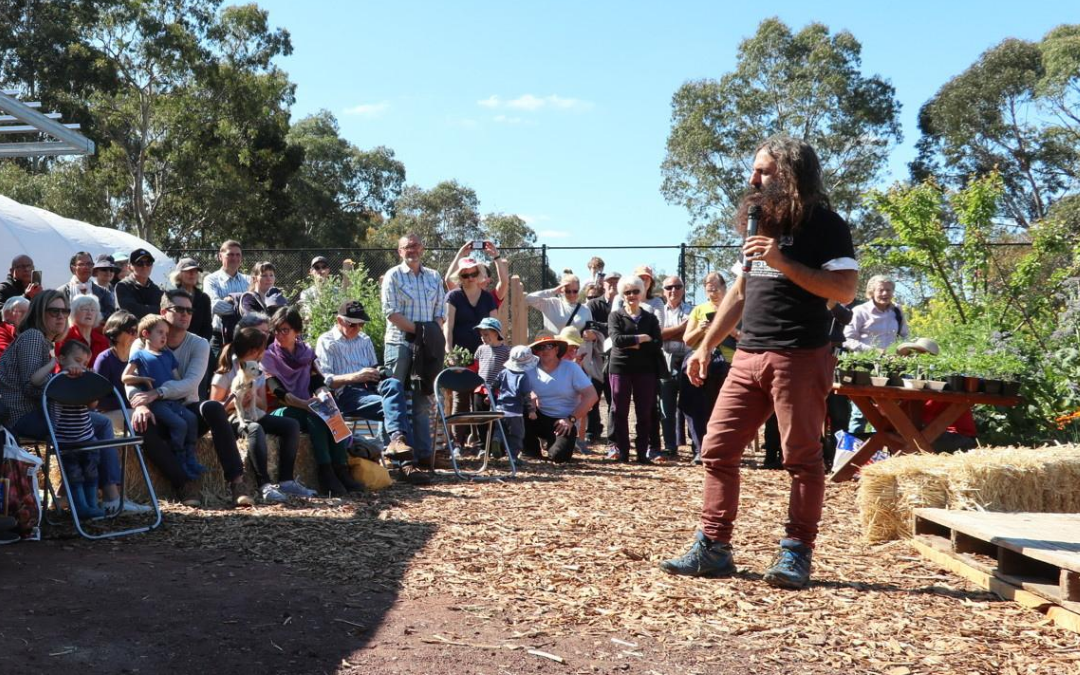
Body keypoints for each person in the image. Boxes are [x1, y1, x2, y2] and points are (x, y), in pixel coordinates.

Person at [661, 136, 858, 590]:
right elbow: (740, 292)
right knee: (716, 449)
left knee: (802, 459)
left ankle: (796, 553)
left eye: (764, 171)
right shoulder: (759, 225)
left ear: (791, 172)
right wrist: (706, 345)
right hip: (747, 356)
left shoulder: (827, 225)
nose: (753, 179)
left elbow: (844, 290)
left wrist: (781, 259)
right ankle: (713, 547)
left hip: (801, 358)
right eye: (754, 170)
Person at [0, 290, 147, 515]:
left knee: (96, 423)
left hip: (43, 412)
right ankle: (105, 498)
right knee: (95, 425)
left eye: (65, 311)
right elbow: (31, 387)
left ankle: (71, 496)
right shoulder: (32, 337)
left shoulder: (45, 342)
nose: (61, 316)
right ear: (40, 312)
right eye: (54, 311)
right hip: (22, 415)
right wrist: (71, 390)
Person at [126, 288, 254, 507]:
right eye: (180, 309)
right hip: (156, 412)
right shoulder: (142, 341)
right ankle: (183, 484)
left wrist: (158, 392)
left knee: (213, 407)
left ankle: (237, 482)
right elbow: (131, 379)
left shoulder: (199, 344)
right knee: (140, 426)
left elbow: (190, 384)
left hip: (187, 410)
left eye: (190, 310)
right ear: (164, 311)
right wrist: (138, 405)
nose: (186, 314)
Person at [314, 300, 429, 485]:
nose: (357, 328)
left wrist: (377, 372)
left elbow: (374, 367)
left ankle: (397, 443)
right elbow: (326, 380)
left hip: (369, 388)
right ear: (339, 320)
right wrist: (355, 377)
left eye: (361, 324)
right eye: (353, 324)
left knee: (393, 384)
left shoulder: (365, 340)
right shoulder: (326, 341)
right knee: (396, 405)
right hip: (345, 394)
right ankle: (406, 463)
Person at [263, 306, 363, 497]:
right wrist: (307, 405)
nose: (279, 335)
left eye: (285, 330)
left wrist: (325, 398)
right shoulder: (270, 356)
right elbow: (278, 392)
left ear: (297, 331)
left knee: (331, 412)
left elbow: (318, 382)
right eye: (276, 330)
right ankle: (326, 471)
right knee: (316, 417)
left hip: (305, 405)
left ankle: (341, 469)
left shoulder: (305, 352)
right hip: (280, 410)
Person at [211, 327, 316, 502]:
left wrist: (251, 398)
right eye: (263, 349)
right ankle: (264, 485)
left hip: (253, 412)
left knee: (291, 425)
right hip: (233, 417)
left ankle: (286, 480)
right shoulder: (227, 370)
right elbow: (214, 409)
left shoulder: (257, 369)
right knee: (255, 429)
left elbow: (263, 404)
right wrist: (236, 401)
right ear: (254, 351)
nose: (265, 352)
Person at [381, 233, 446, 468]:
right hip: (399, 343)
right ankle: (393, 454)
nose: (412, 250)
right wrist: (421, 332)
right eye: (407, 247)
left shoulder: (434, 277)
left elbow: (440, 314)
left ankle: (423, 458)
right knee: (393, 394)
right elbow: (391, 313)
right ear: (400, 251)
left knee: (422, 401)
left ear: (423, 249)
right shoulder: (394, 276)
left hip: (426, 348)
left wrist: (427, 336)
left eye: (416, 246)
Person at [123, 314, 205, 480]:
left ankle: (191, 456)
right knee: (180, 425)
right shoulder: (139, 355)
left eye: (166, 334)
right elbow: (125, 377)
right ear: (146, 334)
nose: (164, 337)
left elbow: (176, 378)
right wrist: (142, 379)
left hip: (172, 400)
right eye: (160, 332)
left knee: (191, 419)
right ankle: (179, 456)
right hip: (157, 403)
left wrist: (180, 391)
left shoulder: (168, 355)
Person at [607, 275, 664, 464]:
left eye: (635, 291)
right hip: (620, 368)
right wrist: (641, 338)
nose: (631, 295)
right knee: (619, 411)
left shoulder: (650, 317)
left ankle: (642, 453)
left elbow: (656, 344)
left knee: (644, 412)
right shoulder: (616, 316)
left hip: (645, 370)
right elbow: (616, 341)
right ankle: (623, 452)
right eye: (627, 292)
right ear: (622, 295)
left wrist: (631, 341)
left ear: (642, 293)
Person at [444, 256, 498, 447]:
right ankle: (457, 442)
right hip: (461, 353)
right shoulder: (453, 296)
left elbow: (495, 326)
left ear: (479, 274)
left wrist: (496, 351)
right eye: (465, 275)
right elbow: (448, 327)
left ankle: (483, 442)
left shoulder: (488, 298)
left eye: (473, 274)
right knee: (461, 397)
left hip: (485, 354)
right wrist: (449, 352)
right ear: (460, 276)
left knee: (483, 396)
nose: (469, 278)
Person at [844, 275, 909, 434]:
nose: (885, 293)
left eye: (889, 290)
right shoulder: (860, 311)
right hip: (864, 367)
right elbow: (847, 339)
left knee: (887, 412)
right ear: (872, 291)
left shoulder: (897, 312)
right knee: (860, 413)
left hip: (892, 367)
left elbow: (905, 337)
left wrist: (903, 351)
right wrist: (873, 351)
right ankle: (854, 452)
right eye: (881, 290)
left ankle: (879, 452)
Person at [50, 340, 106, 519]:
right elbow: (53, 408)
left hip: (87, 437)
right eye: (77, 360)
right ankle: (81, 507)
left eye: (84, 363)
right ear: (61, 359)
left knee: (91, 472)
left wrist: (91, 384)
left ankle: (92, 504)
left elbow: (92, 405)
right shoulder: (56, 381)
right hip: (66, 440)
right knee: (74, 475)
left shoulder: (83, 381)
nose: (80, 366)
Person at [522, 335, 599, 462]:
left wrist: (571, 419)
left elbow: (592, 396)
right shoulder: (529, 370)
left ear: (557, 350)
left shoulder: (571, 368)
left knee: (558, 457)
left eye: (549, 346)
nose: (545, 350)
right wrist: (528, 395)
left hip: (563, 422)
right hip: (537, 417)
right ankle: (531, 450)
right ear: (535, 352)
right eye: (540, 347)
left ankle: (554, 445)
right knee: (518, 409)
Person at [656, 275, 692, 459]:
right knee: (666, 407)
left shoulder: (693, 310)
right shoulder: (658, 311)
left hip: (688, 360)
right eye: (669, 287)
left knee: (691, 407)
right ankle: (670, 446)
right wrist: (681, 329)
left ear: (683, 289)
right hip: (665, 362)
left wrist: (667, 334)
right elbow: (656, 335)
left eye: (677, 286)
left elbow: (692, 336)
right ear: (663, 291)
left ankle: (697, 446)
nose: (673, 291)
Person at [585, 271, 621, 444]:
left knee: (614, 398)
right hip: (596, 356)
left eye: (616, 281)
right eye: (609, 281)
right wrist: (611, 328)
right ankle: (592, 430)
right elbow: (589, 326)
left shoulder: (624, 303)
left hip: (617, 357)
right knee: (593, 394)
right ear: (603, 284)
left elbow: (624, 327)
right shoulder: (593, 304)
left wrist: (602, 328)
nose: (612, 284)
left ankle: (613, 435)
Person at [92, 310, 140, 429]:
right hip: (106, 414)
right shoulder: (104, 360)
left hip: (130, 408)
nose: (135, 336)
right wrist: (131, 403)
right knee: (142, 419)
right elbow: (98, 401)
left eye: (136, 332)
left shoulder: (137, 357)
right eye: (131, 331)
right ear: (116, 333)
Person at [204, 239, 250, 353]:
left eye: (238, 254)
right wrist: (242, 308)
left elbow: (255, 306)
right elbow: (214, 305)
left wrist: (231, 303)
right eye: (230, 254)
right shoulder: (211, 280)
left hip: (245, 337)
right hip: (219, 339)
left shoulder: (249, 280)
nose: (234, 258)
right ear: (220, 256)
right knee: (217, 371)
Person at [494, 345, 538, 463]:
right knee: (516, 435)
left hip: (499, 409)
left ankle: (497, 439)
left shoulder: (503, 372)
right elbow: (526, 395)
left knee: (500, 429)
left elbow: (493, 385)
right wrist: (531, 410)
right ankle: (513, 457)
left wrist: (489, 398)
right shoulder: (523, 377)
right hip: (514, 412)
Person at [59, 251, 116, 320]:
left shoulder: (104, 293)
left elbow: (111, 316)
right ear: (73, 268)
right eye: (81, 264)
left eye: (89, 264)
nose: (86, 267)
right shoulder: (62, 292)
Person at [56, 294, 110, 366]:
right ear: (74, 312)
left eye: (93, 310)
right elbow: (59, 364)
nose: (89, 313)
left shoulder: (102, 340)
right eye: (85, 309)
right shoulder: (64, 336)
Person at [170, 258, 213, 341]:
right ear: (179, 274)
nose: (192, 274)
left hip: (198, 343)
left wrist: (201, 343)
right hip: (174, 342)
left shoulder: (204, 298)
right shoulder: (170, 296)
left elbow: (207, 326)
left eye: (195, 271)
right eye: (188, 271)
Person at [114, 248, 164, 319]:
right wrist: (157, 309)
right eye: (139, 263)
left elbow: (166, 310)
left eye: (148, 263)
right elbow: (130, 312)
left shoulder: (156, 289)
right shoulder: (122, 286)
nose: (145, 266)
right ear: (129, 267)